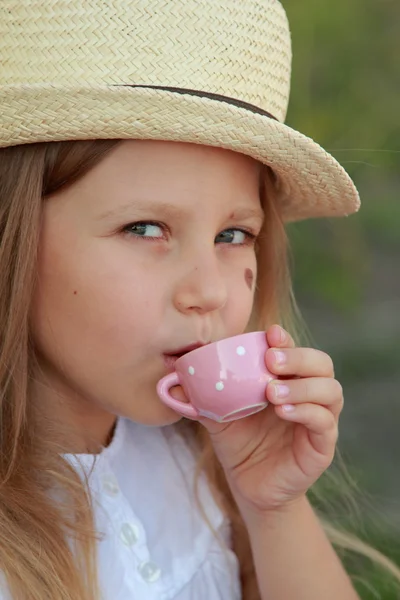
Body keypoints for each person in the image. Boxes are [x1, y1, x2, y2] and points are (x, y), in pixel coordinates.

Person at [1, 1, 399, 599]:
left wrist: (272, 509)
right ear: (14, 238)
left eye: (233, 235)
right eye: (145, 229)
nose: (208, 292)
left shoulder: (200, 462)